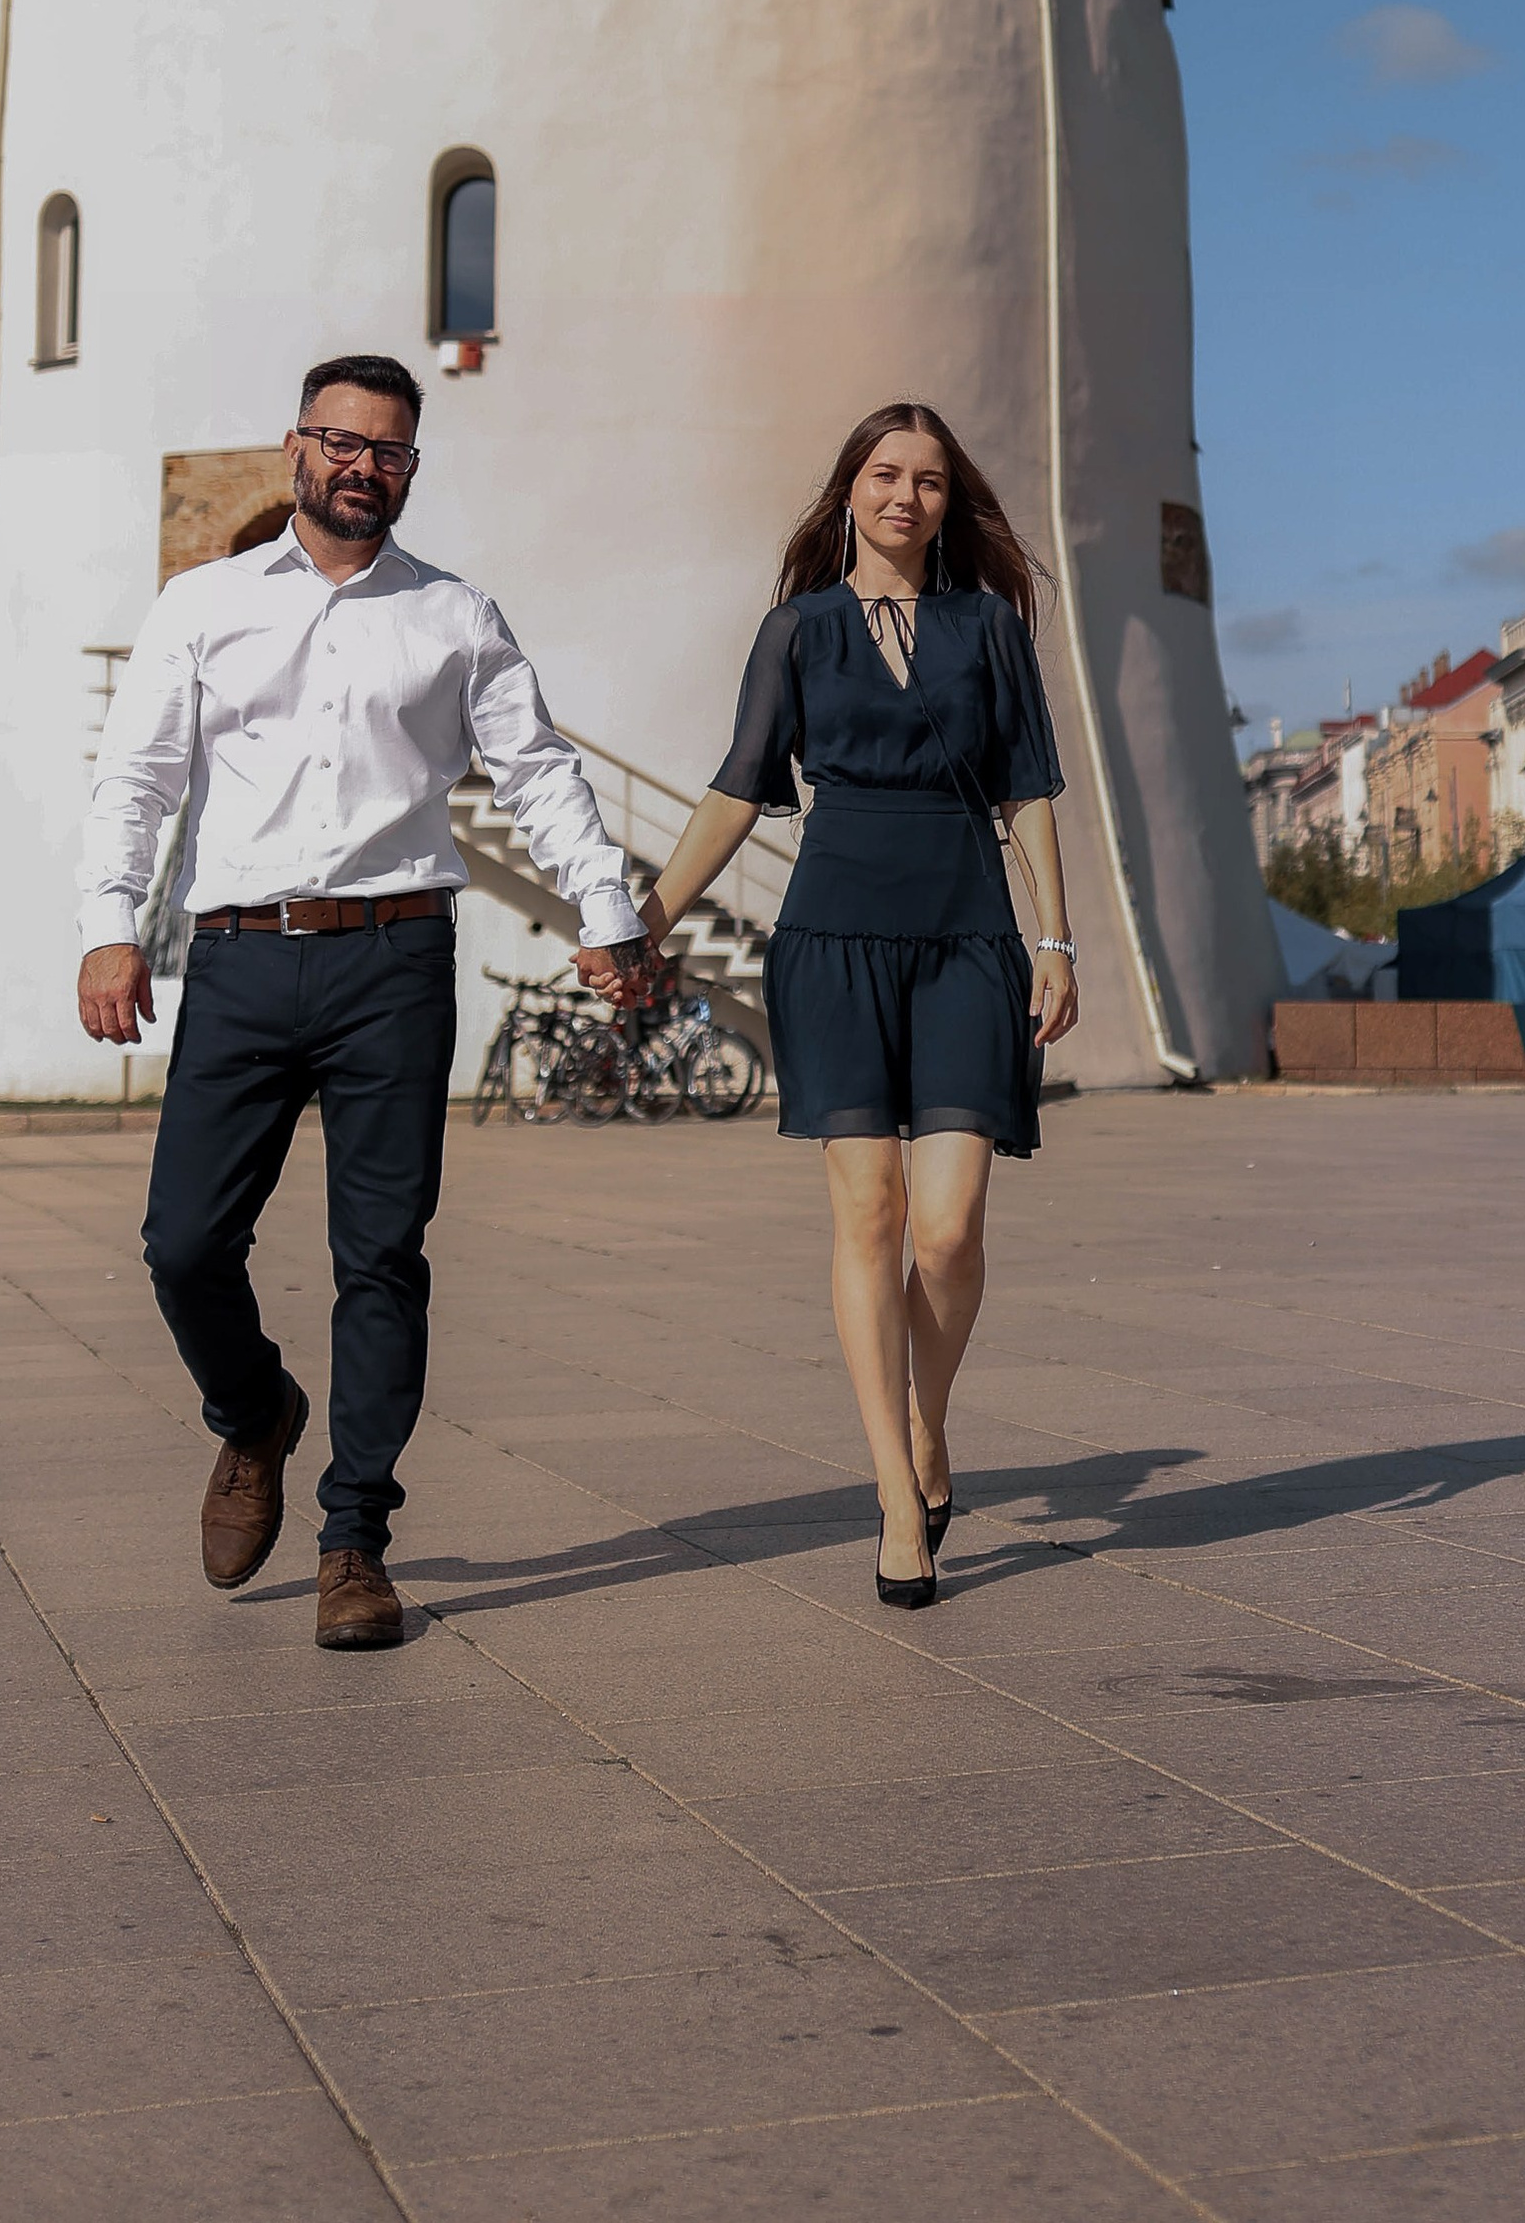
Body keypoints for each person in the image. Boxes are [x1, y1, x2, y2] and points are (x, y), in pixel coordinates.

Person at [79, 355, 656, 1650]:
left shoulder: (453, 615)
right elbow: (136, 780)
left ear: (409, 466)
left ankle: (354, 1540)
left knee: (380, 1256)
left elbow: (539, 771)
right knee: (182, 1241)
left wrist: (606, 909)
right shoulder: (203, 602)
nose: (361, 465)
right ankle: (253, 1414)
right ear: (297, 445)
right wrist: (109, 925)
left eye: (387, 450)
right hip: (237, 956)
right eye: (341, 441)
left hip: (393, 960)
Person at [610, 405, 1080, 1605]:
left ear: (946, 502)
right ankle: (891, 1490)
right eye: (884, 475)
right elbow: (736, 789)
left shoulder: (989, 628)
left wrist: (1055, 940)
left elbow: (1028, 789)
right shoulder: (798, 630)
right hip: (831, 936)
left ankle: (931, 1422)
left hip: (968, 933)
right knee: (868, 1216)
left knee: (949, 1231)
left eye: (928, 481)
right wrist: (651, 913)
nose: (905, 497)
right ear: (848, 492)